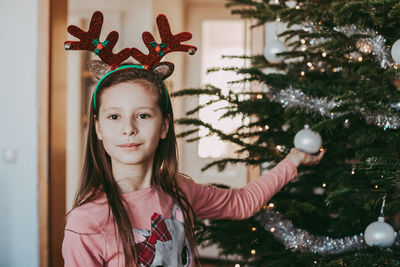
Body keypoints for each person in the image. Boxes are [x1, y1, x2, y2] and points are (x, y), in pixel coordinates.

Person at [62, 11, 325, 267]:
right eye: (113, 117)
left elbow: (242, 203)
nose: (128, 129)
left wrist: (294, 159)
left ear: (164, 126)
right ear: (97, 128)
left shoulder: (179, 191)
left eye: (143, 115)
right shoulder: (86, 222)